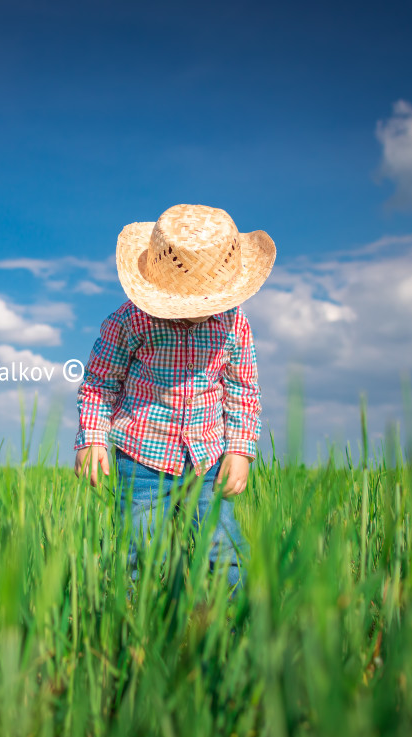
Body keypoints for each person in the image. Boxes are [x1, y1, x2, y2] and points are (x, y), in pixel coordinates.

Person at [72, 203, 276, 594]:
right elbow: (100, 381)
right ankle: (133, 628)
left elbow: (242, 390)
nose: (199, 311)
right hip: (142, 458)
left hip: (208, 460)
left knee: (223, 548)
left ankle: (229, 629)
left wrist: (240, 450)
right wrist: (93, 436)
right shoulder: (129, 320)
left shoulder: (235, 323)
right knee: (140, 551)